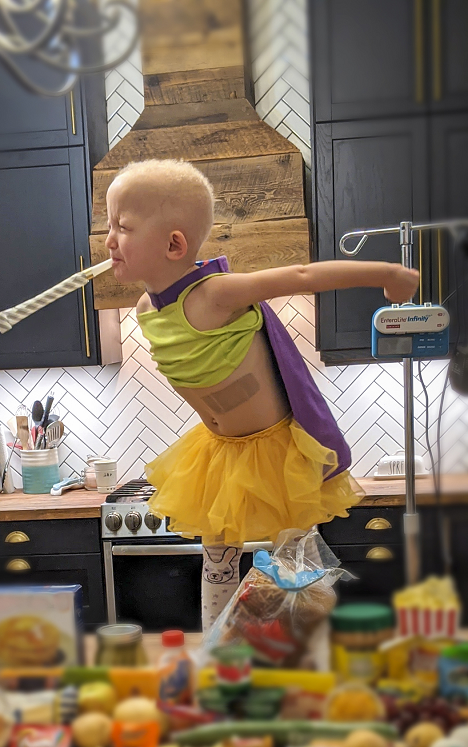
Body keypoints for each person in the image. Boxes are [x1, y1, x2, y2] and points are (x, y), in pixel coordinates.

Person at [104, 159, 420, 630]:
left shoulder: (216, 294)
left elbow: (301, 276)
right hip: (218, 453)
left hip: (277, 451)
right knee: (217, 561)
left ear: (174, 244)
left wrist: (389, 273)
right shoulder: (147, 306)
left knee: (297, 562)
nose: (108, 240)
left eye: (122, 227)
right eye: (107, 225)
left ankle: (307, 647)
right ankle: (217, 648)